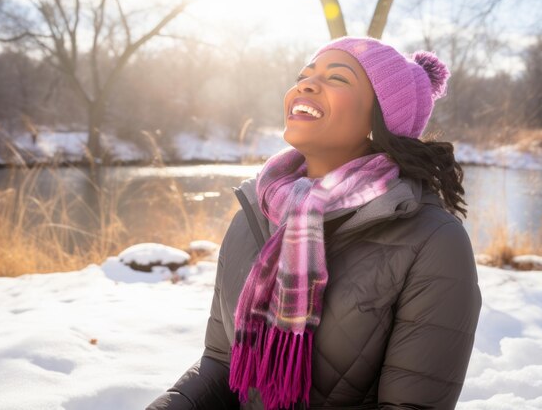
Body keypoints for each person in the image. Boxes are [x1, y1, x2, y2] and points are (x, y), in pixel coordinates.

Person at [146, 36, 482, 410]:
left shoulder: (434, 242)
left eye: (338, 78)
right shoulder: (254, 215)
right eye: (304, 76)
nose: (305, 84)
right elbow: (223, 363)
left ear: (381, 118)